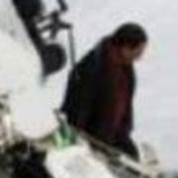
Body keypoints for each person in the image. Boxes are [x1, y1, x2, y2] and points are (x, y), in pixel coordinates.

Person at [61, 22, 147, 158]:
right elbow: (79, 107)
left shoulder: (126, 68)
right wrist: (79, 140)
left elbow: (125, 103)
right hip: (89, 137)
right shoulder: (92, 67)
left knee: (132, 158)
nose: (139, 58)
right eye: (138, 52)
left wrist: (124, 130)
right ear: (125, 48)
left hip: (112, 135)